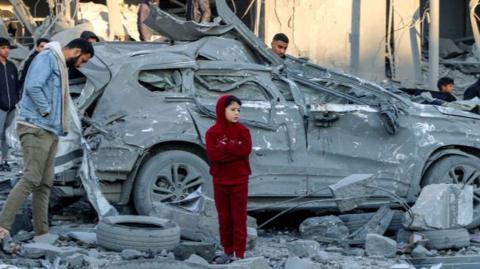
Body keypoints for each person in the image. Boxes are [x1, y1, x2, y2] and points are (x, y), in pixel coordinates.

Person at [0, 38, 94, 239]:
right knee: (31, 177)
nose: (81, 65)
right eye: (83, 60)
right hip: (36, 127)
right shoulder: (48, 57)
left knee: (45, 183)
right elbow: (34, 86)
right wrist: (46, 111)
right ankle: (3, 226)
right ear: (76, 51)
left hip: (50, 130)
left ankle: (42, 233)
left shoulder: (58, 62)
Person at [206, 95, 252, 264]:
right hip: (220, 181)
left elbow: (245, 150)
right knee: (224, 217)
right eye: (232, 110)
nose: (236, 113)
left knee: (239, 218)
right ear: (221, 110)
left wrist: (225, 147)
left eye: (238, 110)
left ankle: (239, 253)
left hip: (240, 180)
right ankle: (227, 250)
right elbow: (214, 155)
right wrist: (235, 149)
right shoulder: (212, 133)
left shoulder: (243, 131)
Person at [0, 38, 20, 172]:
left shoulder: (12, 66)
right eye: (3, 48)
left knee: (6, 134)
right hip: (0, 107)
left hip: (11, 106)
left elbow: (16, 85)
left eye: (8, 48)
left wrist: (16, 100)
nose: (6, 50)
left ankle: (4, 159)